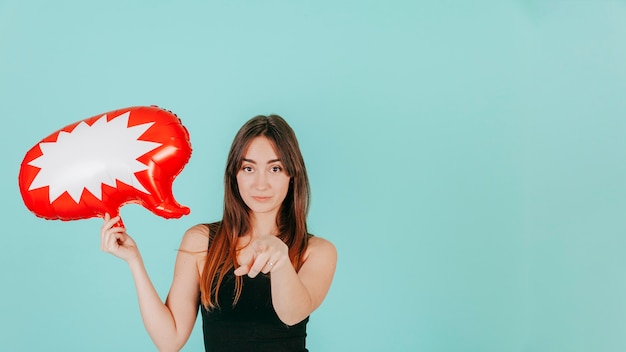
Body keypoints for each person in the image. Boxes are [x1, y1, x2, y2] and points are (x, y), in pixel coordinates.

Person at [100, 114, 337, 352]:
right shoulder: (200, 242)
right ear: (235, 174)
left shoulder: (317, 252)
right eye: (248, 168)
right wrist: (134, 262)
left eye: (275, 168)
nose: (260, 184)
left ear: (292, 175)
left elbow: (291, 314)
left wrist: (281, 260)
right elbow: (169, 340)